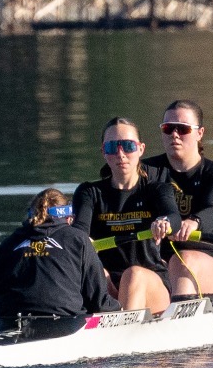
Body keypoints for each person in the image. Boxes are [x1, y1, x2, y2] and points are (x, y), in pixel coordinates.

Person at [71, 117, 178, 313]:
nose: (120, 154)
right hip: (109, 284)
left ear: (141, 149)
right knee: (96, 274)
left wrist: (165, 222)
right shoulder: (89, 193)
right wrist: (80, 240)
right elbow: (79, 231)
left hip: (150, 282)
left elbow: (173, 218)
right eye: (112, 147)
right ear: (104, 152)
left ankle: (121, 332)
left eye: (128, 146)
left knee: (133, 275)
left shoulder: (157, 190)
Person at [0, 187, 119, 322]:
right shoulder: (79, 239)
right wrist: (121, 308)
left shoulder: (9, 242)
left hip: (9, 320)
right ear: (69, 218)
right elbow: (99, 303)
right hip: (63, 321)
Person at [147, 98, 213, 297]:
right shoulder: (147, 171)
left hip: (207, 262)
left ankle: (177, 319)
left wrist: (194, 222)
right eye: (168, 128)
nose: (175, 135)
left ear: (200, 133)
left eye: (183, 129)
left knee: (183, 260)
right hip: (158, 264)